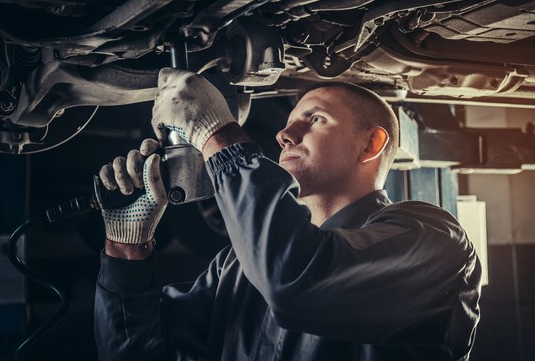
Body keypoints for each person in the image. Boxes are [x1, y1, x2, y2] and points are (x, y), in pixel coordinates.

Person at [94, 68, 481, 361]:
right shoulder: (237, 265)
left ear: (371, 143)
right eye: (287, 124)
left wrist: (217, 135)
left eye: (315, 119)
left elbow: (296, 281)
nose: (285, 135)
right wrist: (126, 249)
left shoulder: (434, 242)